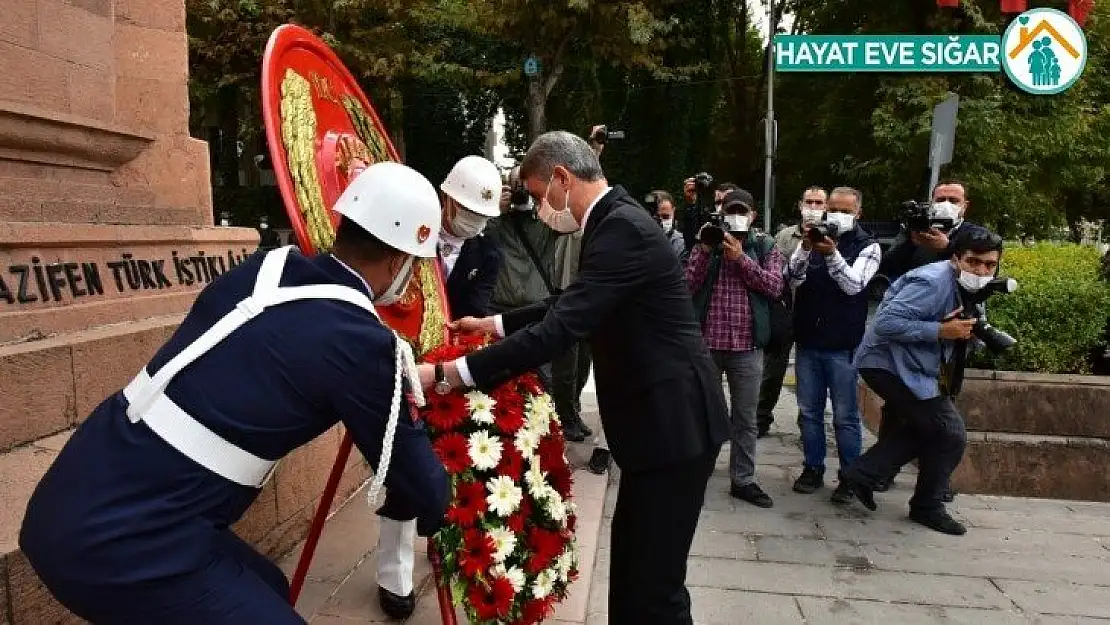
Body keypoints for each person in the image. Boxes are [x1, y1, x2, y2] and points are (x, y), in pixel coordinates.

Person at [18, 162, 451, 625]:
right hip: (131, 539)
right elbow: (424, 491)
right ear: (398, 262)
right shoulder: (365, 343)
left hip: (78, 488)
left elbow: (281, 356)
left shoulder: (264, 270)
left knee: (269, 588)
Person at [418, 130, 729, 625]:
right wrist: (492, 324)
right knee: (631, 575)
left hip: (675, 426)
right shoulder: (614, 222)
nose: (541, 209)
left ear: (561, 178)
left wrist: (450, 374)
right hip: (658, 429)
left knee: (654, 590)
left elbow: (562, 329)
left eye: (540, 197)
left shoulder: (621, 227)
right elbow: (570, 302)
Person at [374, 155, 503, 619]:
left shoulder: (487, 252)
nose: (472, 223)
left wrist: (457, 358)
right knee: (400, 467)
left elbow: (478, 308)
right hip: (393, 357)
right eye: (467, 210)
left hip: (447, 370)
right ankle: (395, 576)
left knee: (446, 465)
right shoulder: (409, 227)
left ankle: (453, 549)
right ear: (446, 197)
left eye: (482, 217)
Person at [841, 226, 1005, 536]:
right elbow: (886, 322)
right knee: (949, 433)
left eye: (989, 265)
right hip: (886, 365)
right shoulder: (930, 282)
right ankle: (925, 504)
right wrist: (940, 332)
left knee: (930, 428)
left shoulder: (971, 286)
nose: (981, 270)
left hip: (914, 368)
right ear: (956, 258)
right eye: (973, 262)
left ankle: (865, 474)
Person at [874, 180, 977, 496]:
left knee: (941, 416)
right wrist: (912, 239)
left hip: (949, 342)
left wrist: (947, 249)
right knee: (896, 408)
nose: (946, 203)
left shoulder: (972, 236)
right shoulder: (919, 228)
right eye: (941, 197)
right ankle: (882, 472)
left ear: (965, 205)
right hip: (910, 337)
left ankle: (936, 482)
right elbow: (887, 265)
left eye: (953, 198)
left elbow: (981, 279)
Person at [686, 188, 784, 508]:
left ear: (753, 215)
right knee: (703, 414)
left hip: (747, 347)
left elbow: (773, 286)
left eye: (743, 211)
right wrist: (704, 247)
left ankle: (743, 479)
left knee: (746, 418)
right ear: (722, 212)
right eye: (731, 211)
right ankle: (698, 473)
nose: (737, 217)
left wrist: (741, 259)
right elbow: (687, 286)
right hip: (708, 346)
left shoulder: (765, 245)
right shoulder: (710, 242)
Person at [786, 187, 881, 502]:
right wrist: (805, 247)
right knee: (809, 411)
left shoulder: (868, 246)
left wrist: (832, 255)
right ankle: (812, 467)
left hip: (843, 344)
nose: (837, 215)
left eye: (845, 209)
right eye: (833, 209)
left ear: (858, 213)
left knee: (845, 415)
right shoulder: (814, 238)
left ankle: (850, 475)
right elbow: (792, 277)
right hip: (809, 340)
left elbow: (854, 285)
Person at [757, 186, 827, 437]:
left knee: (810, 371)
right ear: (800, 205)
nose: (814, 208)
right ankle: (761, 417)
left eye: (819, 203)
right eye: (809, 202)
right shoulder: (785, 236)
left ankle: (807, 422)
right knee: (773, 369)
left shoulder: (831, 235)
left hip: (816, 313)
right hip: (785, 309)